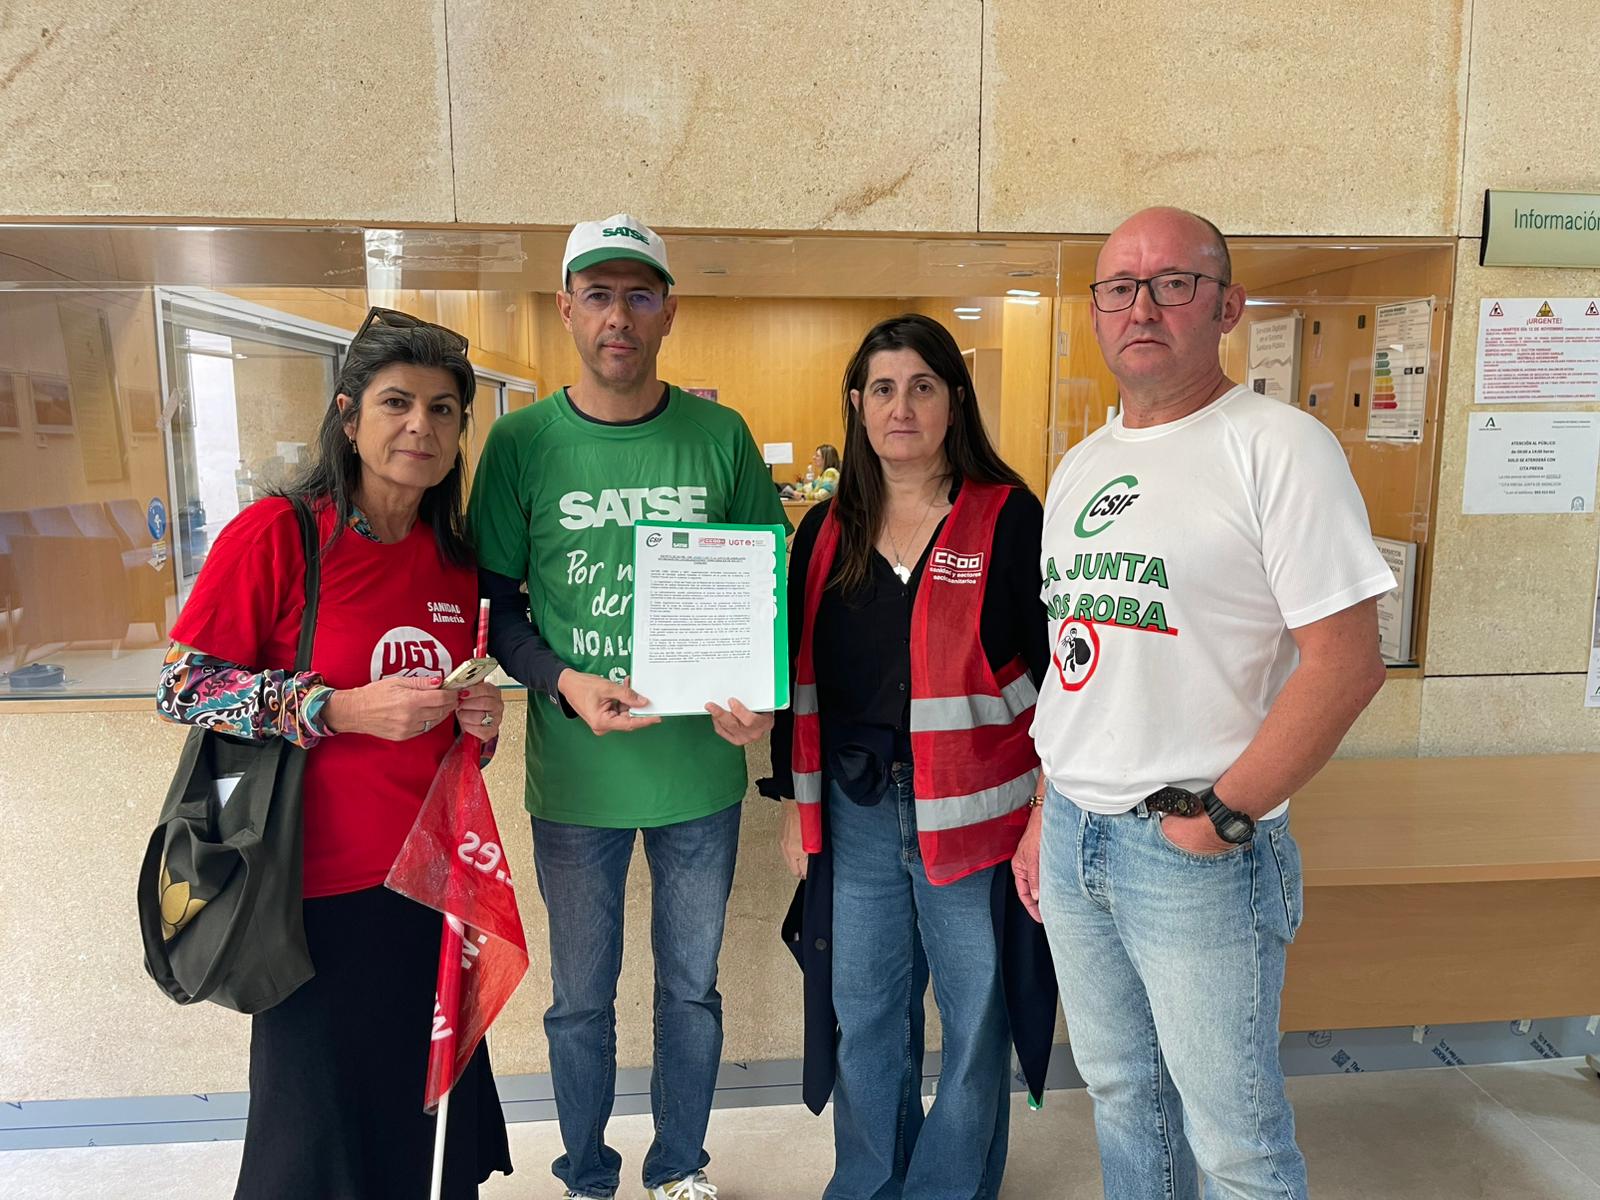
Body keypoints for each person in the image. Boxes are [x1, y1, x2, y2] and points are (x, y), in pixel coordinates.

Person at [1023, 208, 1393, 1200]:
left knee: (1235, 1141)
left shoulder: (1278, 447)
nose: (1140, 306)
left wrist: (1224, 815)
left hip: (1194, 847)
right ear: (1096, 311)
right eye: (1118, 287)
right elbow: (1078, 663)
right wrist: (1040, 812)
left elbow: (1348, 661)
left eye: (1171, 283)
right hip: (1072, 834)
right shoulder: (1080, 465)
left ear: (1226, 306)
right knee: (1118, 1095)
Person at [156, 307, 511, 1199]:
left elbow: (442, 734)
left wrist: (479, 724)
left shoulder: (453, 559)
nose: (419, 427)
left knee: (420, 1137)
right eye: (397, 403)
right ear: (349, 418)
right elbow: (183, 686)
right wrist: (335, 707)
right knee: (311, 1143)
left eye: (442, 409)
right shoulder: (281, 534)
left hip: (425, 889)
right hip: (304, 895)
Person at [468, 214, 788, 1200]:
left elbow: (762, 590)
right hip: (575, 778)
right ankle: (586, 1175)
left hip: (699, 771)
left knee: (689, 991)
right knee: (578, 1002)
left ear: (668, 312)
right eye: (598, 295)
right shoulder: (521, 443)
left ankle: (680, 1169)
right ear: (567, 309)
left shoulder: (719, 435)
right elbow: (496, 607)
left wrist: (763, 707)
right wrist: (562, 681)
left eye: (639, 295)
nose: (619, 315)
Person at [765, 313, 1057, 1200]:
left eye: (923, 386)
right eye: (883, 389)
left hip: (977, 816)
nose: (902, 408)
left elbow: (1062, 680)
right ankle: (869, 1181)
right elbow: (794, 677)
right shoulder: (824, 531)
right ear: (857, 407)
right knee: (866, 1016)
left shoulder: (1009, 517)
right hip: (853, 815)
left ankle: (948, 1187)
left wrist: (1048, 812)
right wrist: (790, 802)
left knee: (975, 1019)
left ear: (953, 402)